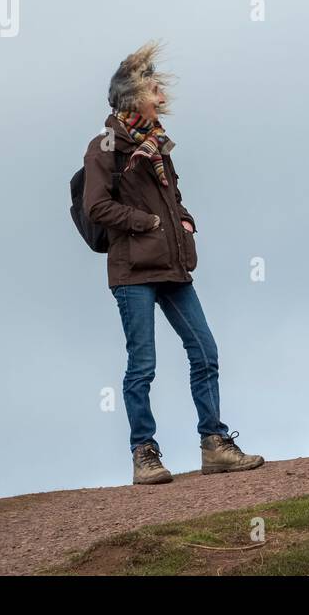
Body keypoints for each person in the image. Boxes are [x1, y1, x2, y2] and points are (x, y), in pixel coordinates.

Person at [82, 41, 264, 483]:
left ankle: (214, 444)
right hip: (132, 271)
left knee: (205, 351)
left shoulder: (159, 144)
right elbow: (95, 207)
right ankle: (144, 453)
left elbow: (173, 197)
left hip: (172, 265)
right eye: (154, 85)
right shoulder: (105, 145)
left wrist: (182, 221)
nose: (162, 92)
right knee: (142, 364)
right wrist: (147, 223)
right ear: (133, 94)